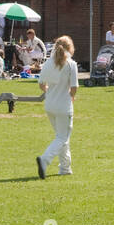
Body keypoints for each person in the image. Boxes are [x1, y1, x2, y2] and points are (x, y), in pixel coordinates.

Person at [35, 36, 78, 179]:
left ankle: (65, 168)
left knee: (62, 137)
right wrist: (71, 97)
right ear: (70, 47)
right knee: (62, 137)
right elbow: (74, 87)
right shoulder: (71, 64)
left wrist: (49, 92)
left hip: (50, 105)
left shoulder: (48, 62)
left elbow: (41, 84)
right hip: (63, 105)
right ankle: (44, 160)